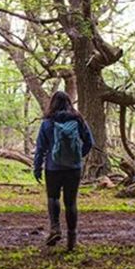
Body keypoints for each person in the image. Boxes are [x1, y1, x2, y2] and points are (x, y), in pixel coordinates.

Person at [33, 90, 94, 250]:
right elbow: (89, 142)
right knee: (71, 202)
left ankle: (55, 228)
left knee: (53, 198)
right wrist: (78, 156)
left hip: (53, 168)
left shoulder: (47, 122)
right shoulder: (79, 120)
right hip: (73, 168)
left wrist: (37, 167)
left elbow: (40, 148)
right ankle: (72, 240)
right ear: (69, 103)